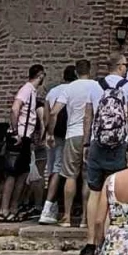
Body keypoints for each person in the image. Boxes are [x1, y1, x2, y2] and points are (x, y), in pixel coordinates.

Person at [82, 53, 128, 255]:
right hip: (119, 144)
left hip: (98, 143)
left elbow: (88, 116)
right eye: (125, 64)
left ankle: (91, 242)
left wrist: (87, 142)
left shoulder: (94, 86)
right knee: (113, 193)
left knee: (95, 192)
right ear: (120, 67)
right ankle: (107, 240)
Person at [47, 59, 102, 230]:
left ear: (76, 73)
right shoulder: (96, 86)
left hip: (72, 134)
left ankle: (67, 216)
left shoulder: (68, 88)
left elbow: (54, 111)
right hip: (90, 136)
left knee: (70, 175)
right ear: (89, 71)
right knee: (87, 176)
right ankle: (85, 218)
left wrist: (50, 132)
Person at [0, 63, 46, 222]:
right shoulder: (26, 89)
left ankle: (14, 206)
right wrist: (15, 131)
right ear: (40, 75)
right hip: (19, 136)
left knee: (23, 172)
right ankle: (4, 209)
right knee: (12, 173)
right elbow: (15, 108)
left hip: (26, 137)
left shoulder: (32, 92)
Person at [39, 65, 78, 225]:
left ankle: (52, 204)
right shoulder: (73, 90)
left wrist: (48, 133)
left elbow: (47, 115)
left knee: (51, 168)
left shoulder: (52, 91)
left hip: (52, 135)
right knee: (58, 169)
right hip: (65, 134)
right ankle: (48, 208)